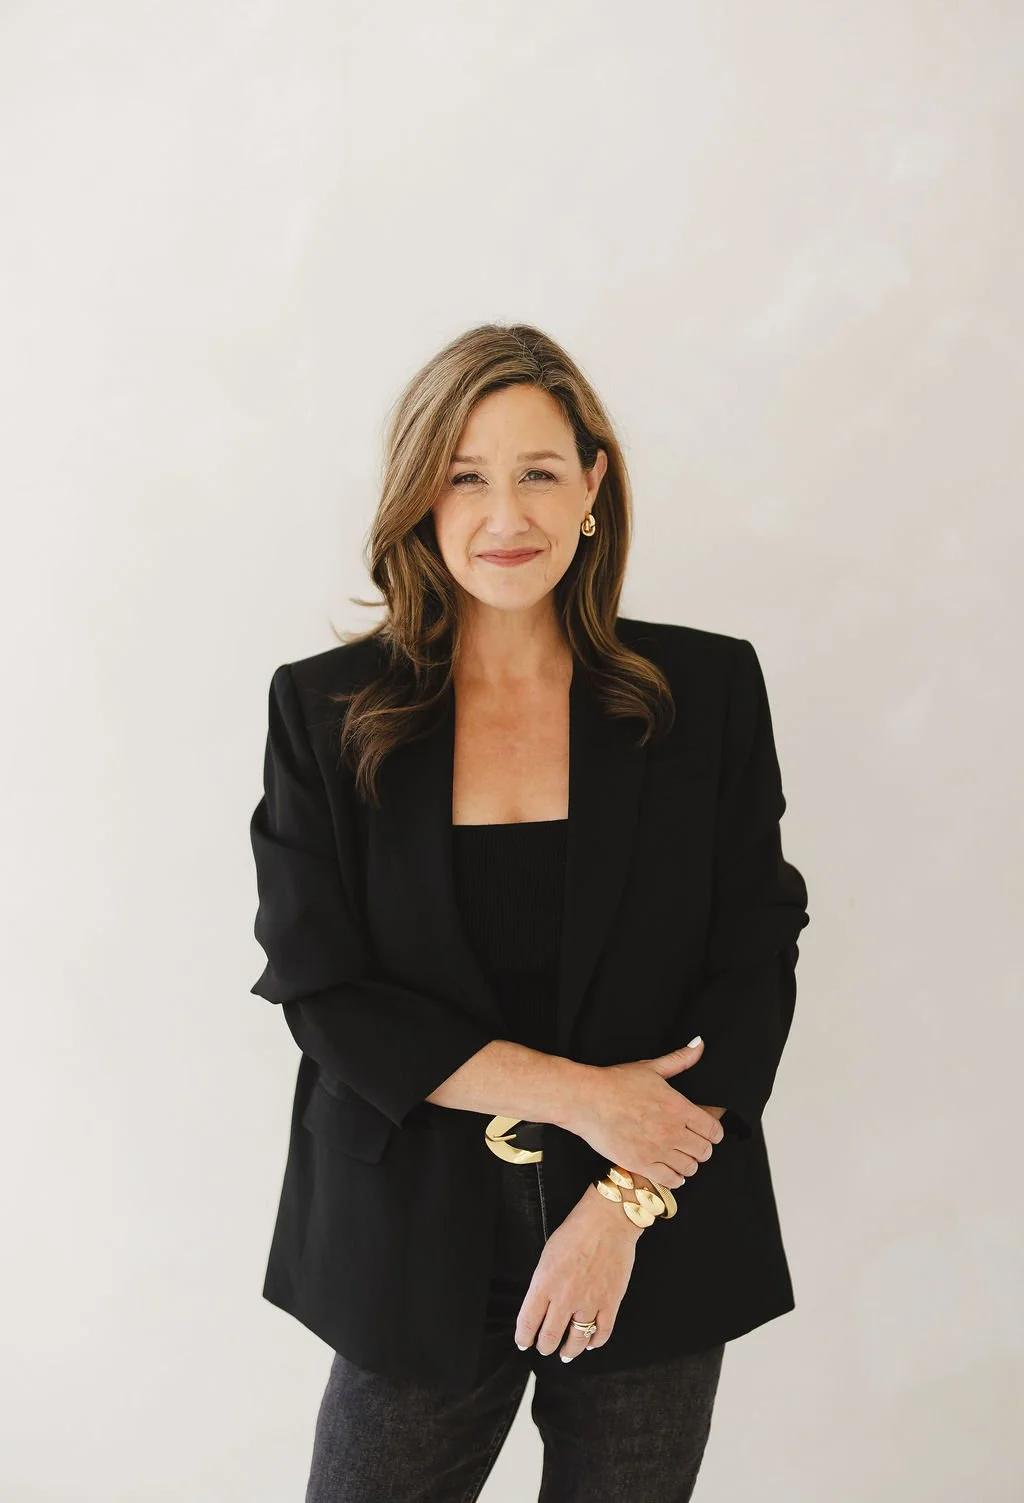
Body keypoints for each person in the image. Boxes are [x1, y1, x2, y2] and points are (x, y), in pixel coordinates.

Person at [248, 321, 810, 1502]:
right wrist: (584, 1098)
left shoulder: (704, 692)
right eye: (465, 474)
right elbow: (324, 989)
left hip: (650, 1236)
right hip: (410, 1247)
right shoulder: (324, 708)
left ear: (593, 483)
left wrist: (623, 1198)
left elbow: (752, 965)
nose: (506, 514)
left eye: (539, 471)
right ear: (418, 496)